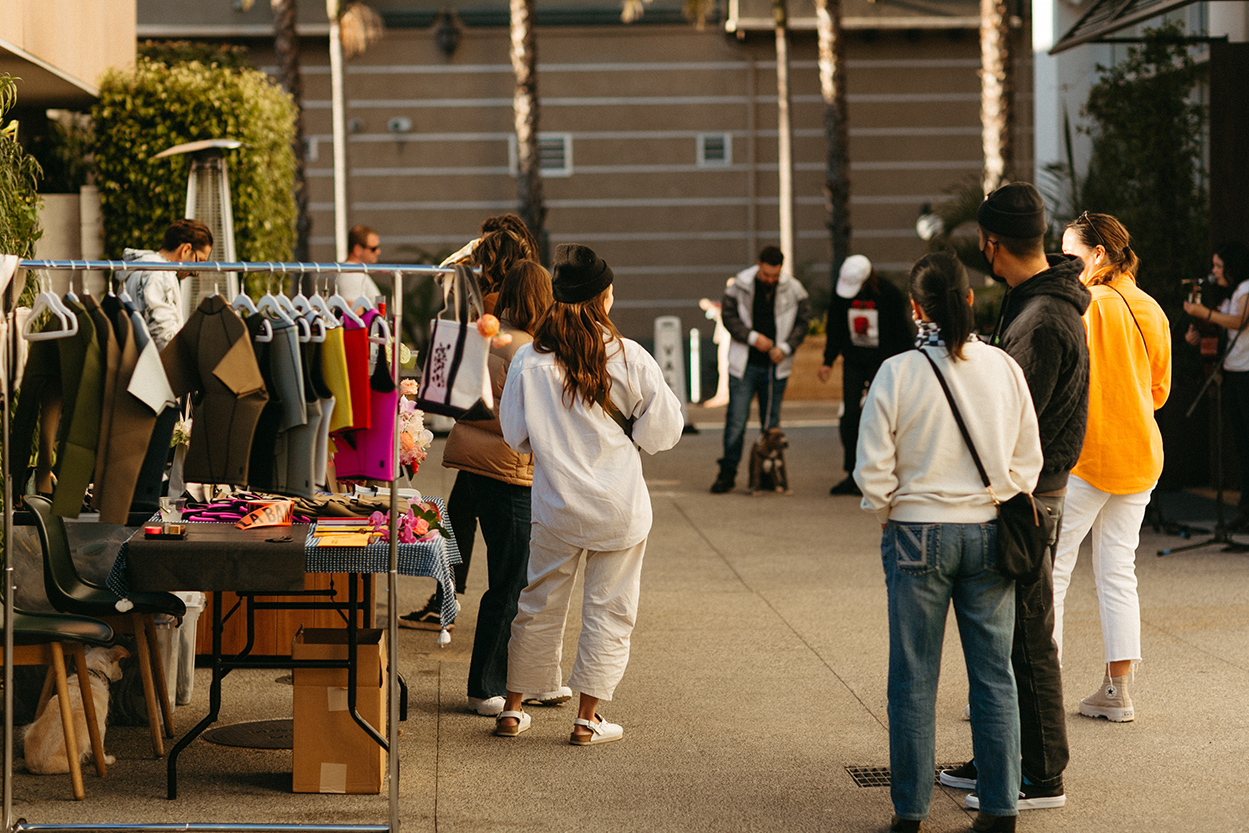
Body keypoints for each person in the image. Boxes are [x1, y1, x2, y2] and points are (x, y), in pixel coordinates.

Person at [855, 251, 1041, 833]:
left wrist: (888, 509)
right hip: (989, 534)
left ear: (915, 308)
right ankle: (1001, 809)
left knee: (913, 676)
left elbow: (871, 468)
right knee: (994, 675)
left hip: (915, 536)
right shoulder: (1004, 368)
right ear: (968, 299)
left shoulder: (896, 373)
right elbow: (1027, 461)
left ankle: (910, 812)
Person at [494, 243, 683, 743]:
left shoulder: (528, 361)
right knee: (611, 609)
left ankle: (513, 710)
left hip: (555, 504)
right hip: (618, 506)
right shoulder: (630, 357)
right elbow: (662, 433)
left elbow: (515, 435)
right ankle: (587, 719)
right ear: (603, 299)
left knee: (537, 603)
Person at [941, 182, 1089, 813]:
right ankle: (1003, 757)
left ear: (990, 243)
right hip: (1026, 492)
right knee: (1007, 635)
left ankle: (1041, 777)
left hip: (1028, 498)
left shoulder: (1043, 317)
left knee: (1026, 637)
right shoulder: (1036, 302)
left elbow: (1004, 417)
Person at [1050, 212, 1171, 723]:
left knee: (1050, 571)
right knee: (1118, 574)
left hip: (1086, 457)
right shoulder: (1150, 306)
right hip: (1139, 455)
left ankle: (1031, 689)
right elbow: (1159, 392)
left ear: (1098, 254)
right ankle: (1117, 691)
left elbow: (1065, 382)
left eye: (1070, 254)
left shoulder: (1088, 307)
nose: (1063, 263)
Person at [439, 260, 569, 715]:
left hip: (473, 466)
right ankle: (486, 686)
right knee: (510, 582)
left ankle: (517, 679)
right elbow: (531, 419)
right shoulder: (530, 351)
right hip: (508, 470)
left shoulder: (486, 335)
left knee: (510, 579)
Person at [401, 227, 537, 630]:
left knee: (463, 521)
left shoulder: (489, 305)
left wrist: (464, 257)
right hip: (494, 439)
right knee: (463, 518)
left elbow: (445, 279)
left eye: (481, 248)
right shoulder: (515, 301)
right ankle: (445, 599)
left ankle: (445, 601)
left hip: (488, 435)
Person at [710, 245, 810, 494]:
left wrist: (786, 347)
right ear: (758, 265)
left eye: (774, 276)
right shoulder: (740, 284)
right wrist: (753, 338)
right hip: (745, 365)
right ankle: (727, 473)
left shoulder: (795, 289)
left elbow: (803, 321)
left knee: (771, 424)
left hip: (776, 366)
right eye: (765, 275)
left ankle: (767, 475)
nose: (770, 280)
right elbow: (729, 317)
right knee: (736, 422)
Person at [818, 254, 913, 496]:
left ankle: (883, 473)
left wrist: (908, 364)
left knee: (880, 419)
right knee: (849, 417)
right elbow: (835, 327)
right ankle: (852, 473)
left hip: (883, 364)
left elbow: (901, 330)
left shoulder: (888, 294)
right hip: (854, 362)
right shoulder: (841, 296)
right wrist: (828, 360)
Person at [1183, 242, 1249, 529]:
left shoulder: (1246, 288)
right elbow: (1219, 330)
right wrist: (1198, 333)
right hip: (1233, 371)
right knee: (1242, 444)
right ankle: (1244, 511)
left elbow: (1240, 321)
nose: (1214, 271)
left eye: (1219, 266)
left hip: (1247, 371)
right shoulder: (1230, 294)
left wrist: (1204, 313)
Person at [120, 218, 214, 352]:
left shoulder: (136, 270)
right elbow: (164, 338)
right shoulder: (160, 275)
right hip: (152, 366)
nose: (195, 272)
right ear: (186, 250)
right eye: (199, 261)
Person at [336, 224, 382, 304]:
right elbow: (353, 312)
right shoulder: (351, 274)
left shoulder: (355, 272)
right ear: (358, 250)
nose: (378, 252)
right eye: (373, 249)